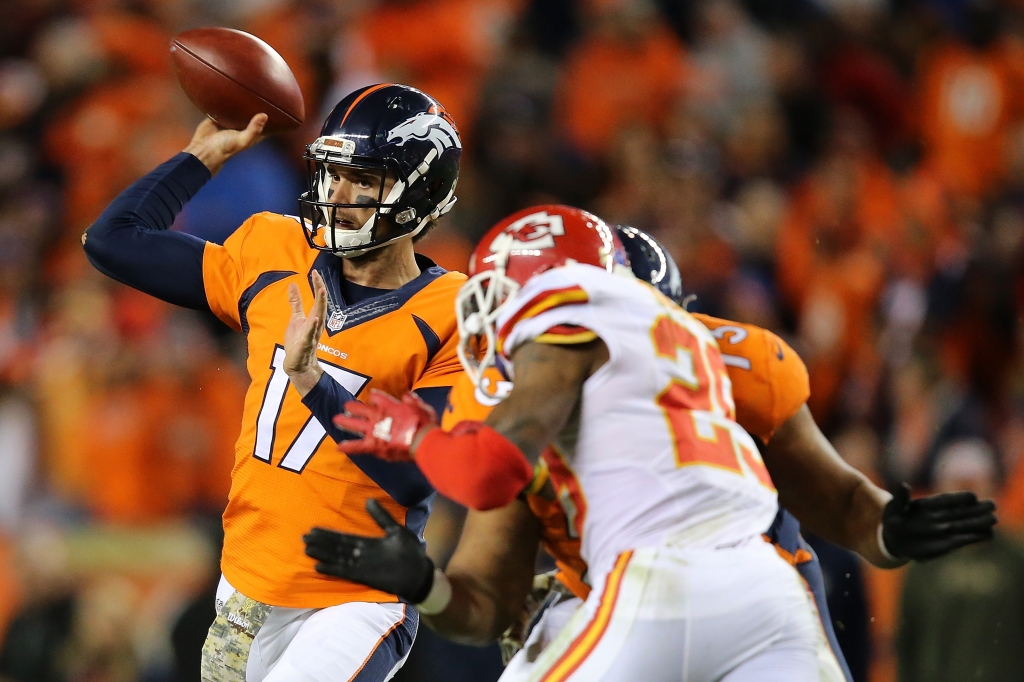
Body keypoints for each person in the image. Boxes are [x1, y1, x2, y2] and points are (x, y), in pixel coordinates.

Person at [306, 217, 996, 680]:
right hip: (743, 592)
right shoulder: (711, 352)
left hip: (657, 586)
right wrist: (426, 585)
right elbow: (486, 596)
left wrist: (421, 437)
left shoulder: (560, 345)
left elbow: (488, 472)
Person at [82, 83, 465, 681]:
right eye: (333, 172)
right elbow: (112, 241)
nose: (338, 193)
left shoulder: (453, 312)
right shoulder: (275, 248)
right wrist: (199, 160)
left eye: (363, 178)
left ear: (420, 194)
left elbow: (419, 475)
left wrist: (315, 382)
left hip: (356, 597)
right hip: (245, 583)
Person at [896, 439, 1024, 682]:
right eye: (958, 486)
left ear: (994, 489)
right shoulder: (923, 562)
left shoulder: (1015, 560)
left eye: (974, 486)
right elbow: (907, 644)